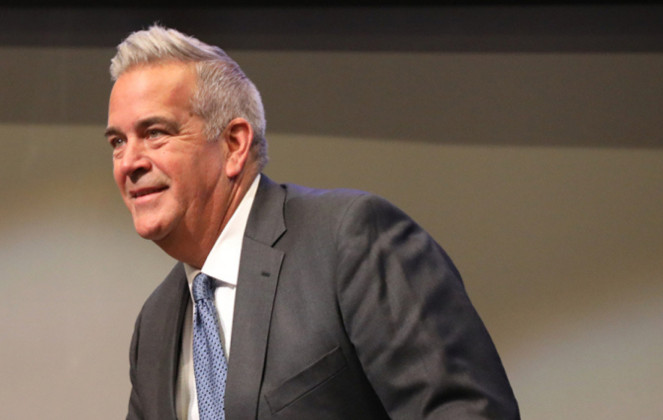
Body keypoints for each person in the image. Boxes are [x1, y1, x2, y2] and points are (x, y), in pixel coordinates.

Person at [106, 24, 520, 420]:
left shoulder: (349, 241)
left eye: (155, 132)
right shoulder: (156, 323)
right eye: (118, 142)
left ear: (234, 144)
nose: (130, 163)